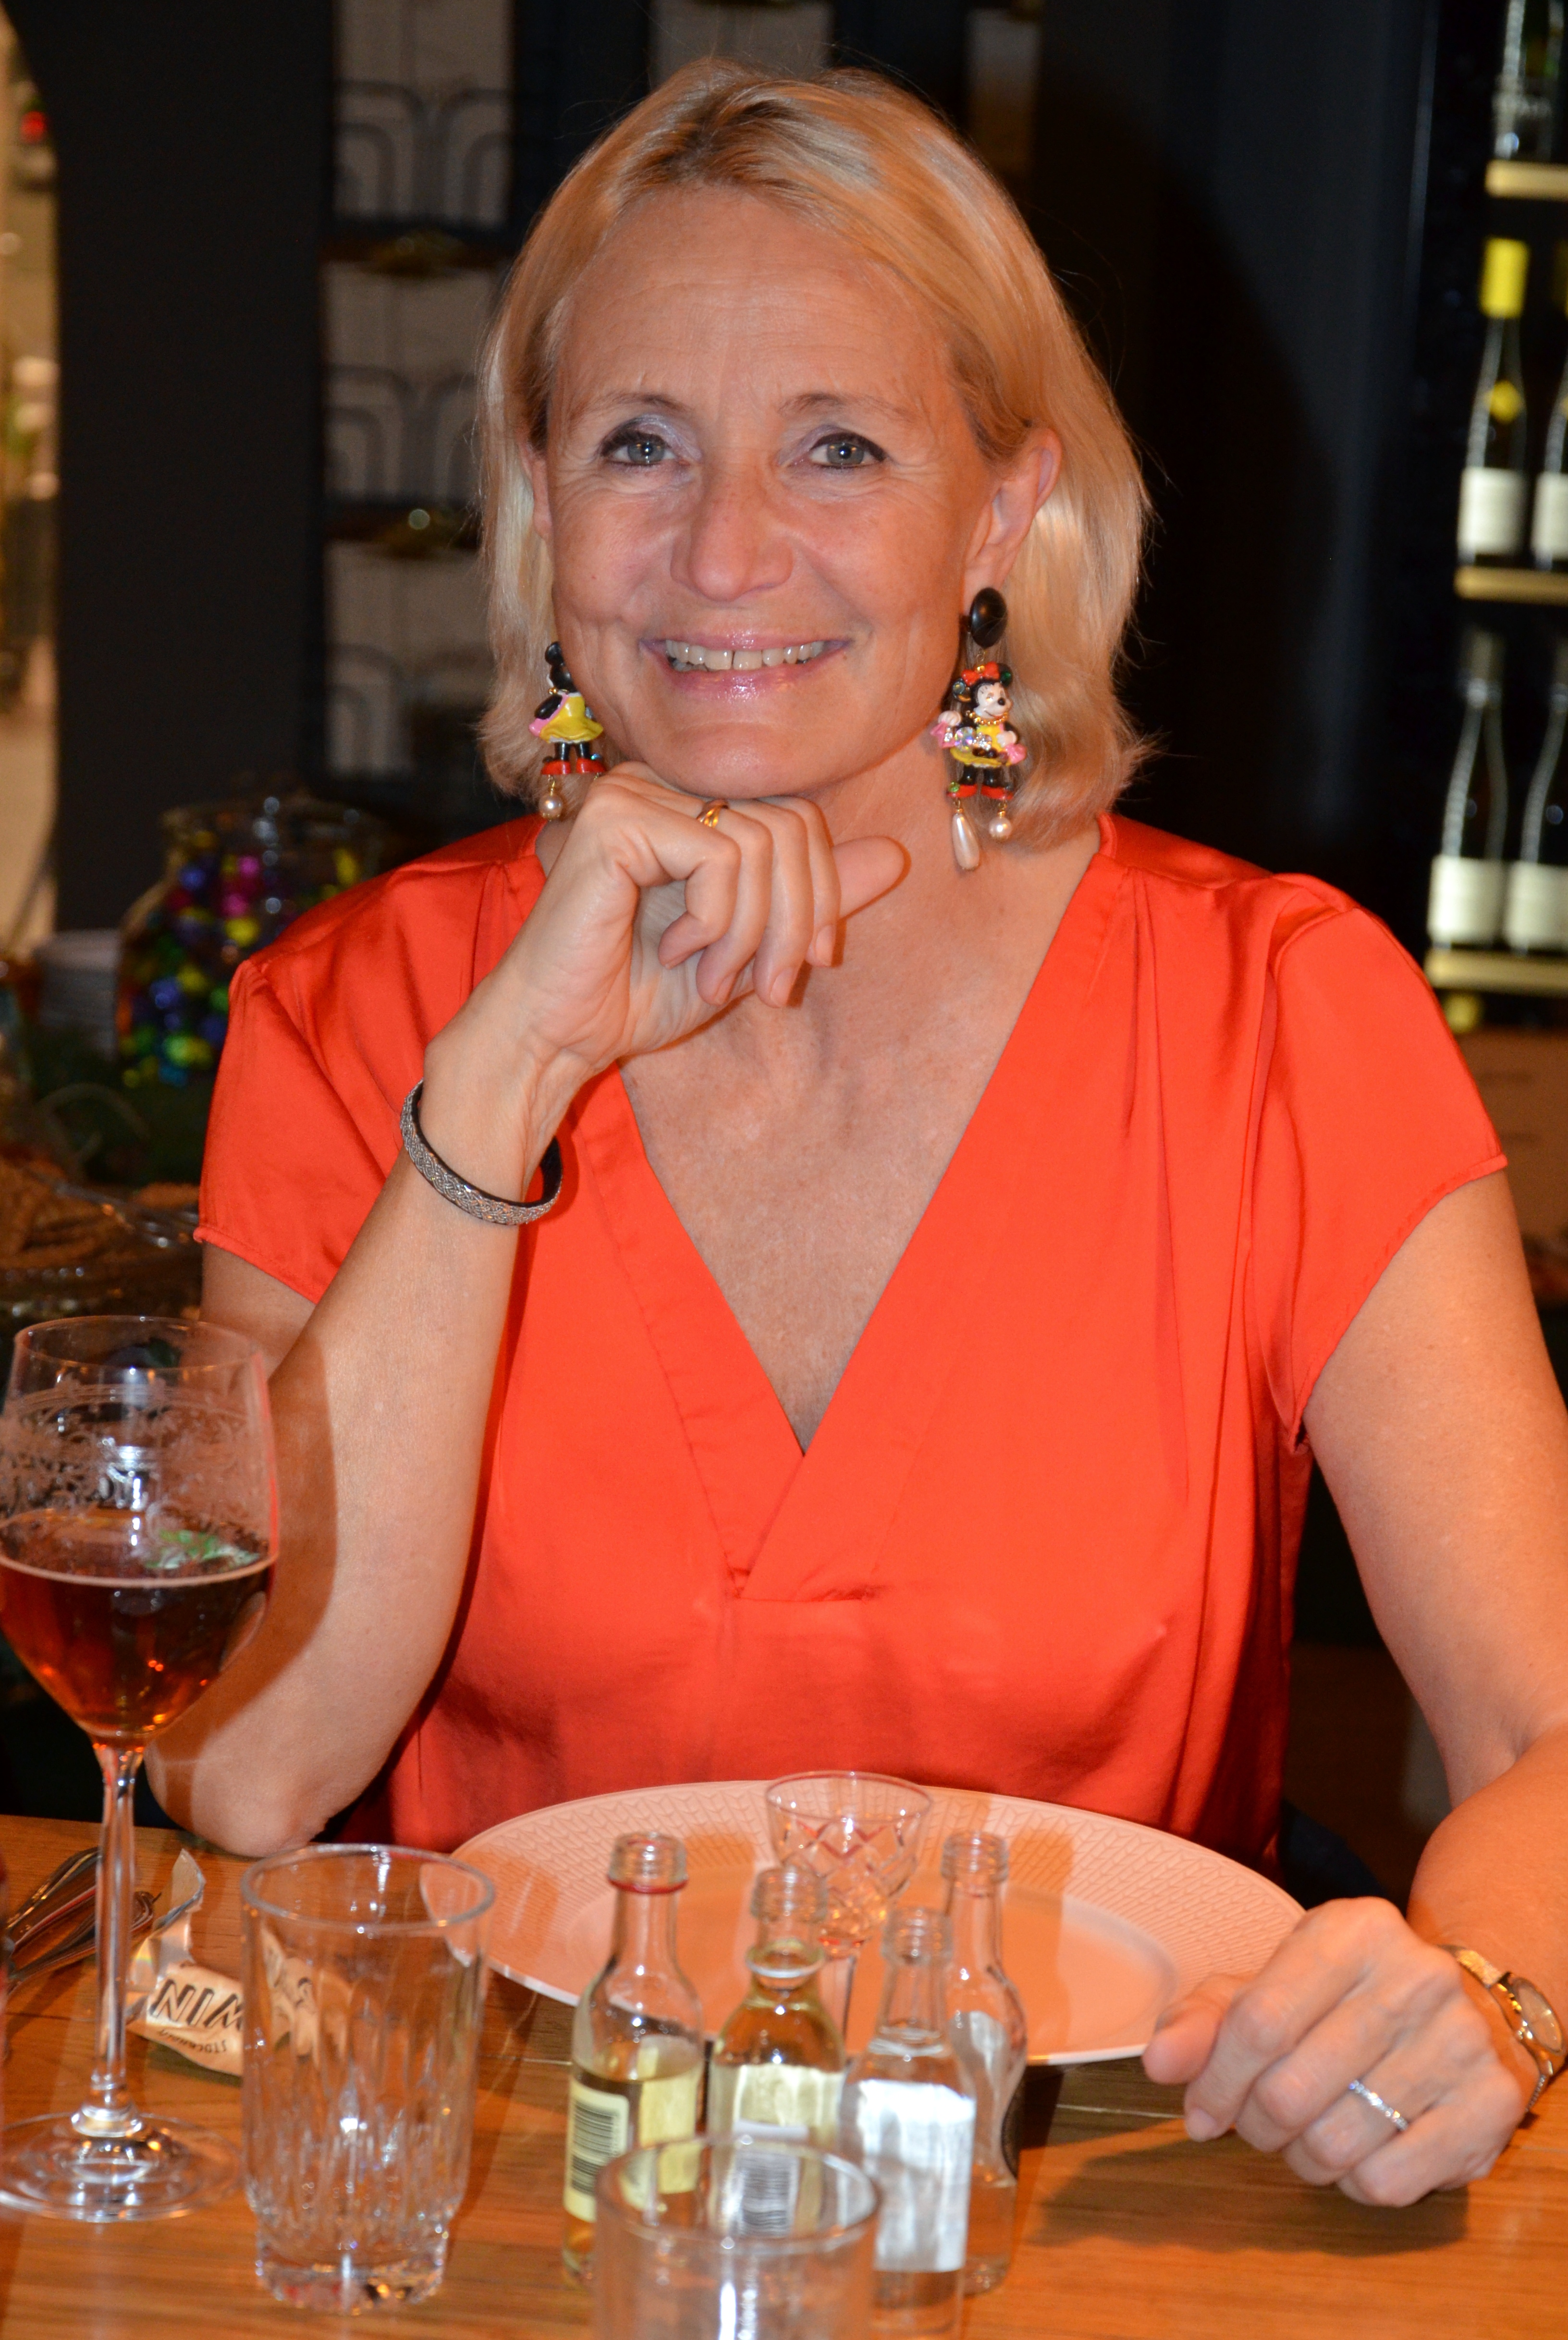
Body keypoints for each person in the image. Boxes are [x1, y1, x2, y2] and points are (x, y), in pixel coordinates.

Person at [158, 62, 1568, 2206]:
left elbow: (1551, 1736)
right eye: (641, 445)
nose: (727, 553)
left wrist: (1493, 1993)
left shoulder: (1282, 1013)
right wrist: (501, 1080)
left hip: (1088, 2210)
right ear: (542, 501)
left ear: (1001, 510)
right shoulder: (357, 1017)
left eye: (840, 446)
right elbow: (252, 1770)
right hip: (505, 2207)